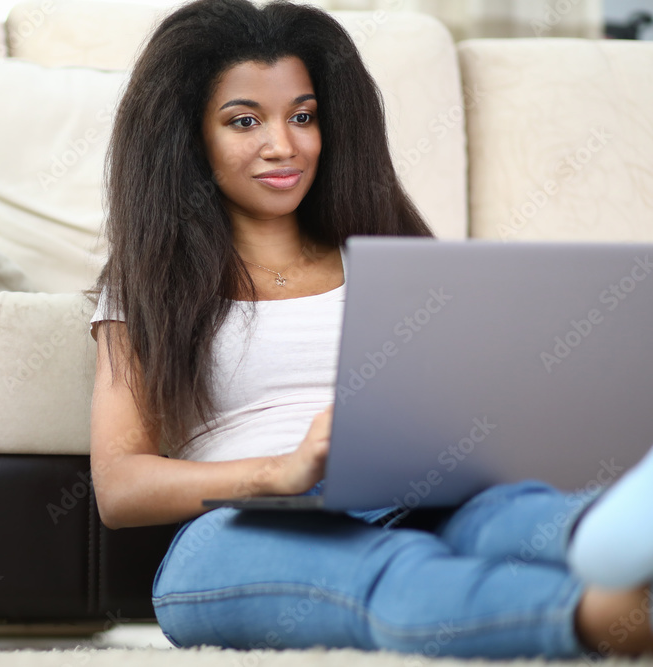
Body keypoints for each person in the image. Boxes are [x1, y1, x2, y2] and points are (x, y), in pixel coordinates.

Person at [86, 0, 653, 658]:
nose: (284, 144)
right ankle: (601, 614)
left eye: (303, 116)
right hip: (240, 524)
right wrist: (280, 472)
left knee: (515, 515)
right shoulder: (149, 283)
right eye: (245, 121)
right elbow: (120, 487)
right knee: (391, 569)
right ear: (190, 135)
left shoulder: (386, 259)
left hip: (423, 494)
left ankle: (604, 532)